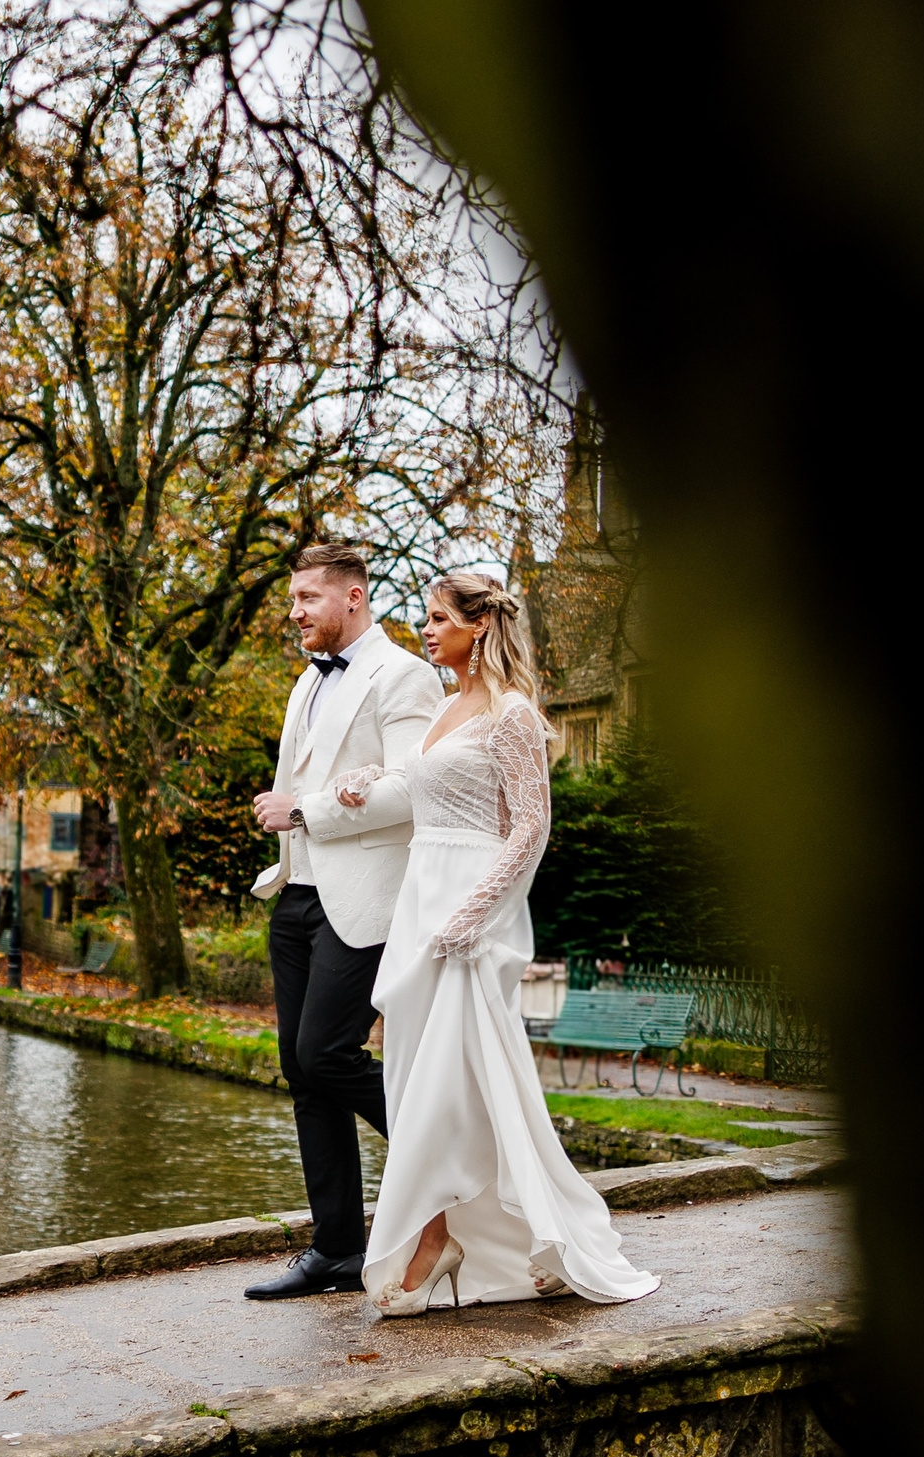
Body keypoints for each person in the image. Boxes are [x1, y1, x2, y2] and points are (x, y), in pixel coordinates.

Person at [339, 571, 659, 1317]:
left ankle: (433, 1239)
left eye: (439, 616)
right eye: (425, 616)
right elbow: (421, 787)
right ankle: (501, 1236)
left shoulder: (514, 714)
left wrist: (474, 912)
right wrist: (366, 776)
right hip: (423, 900)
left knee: (450, 1087)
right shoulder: (445, 707)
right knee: (420, 1074)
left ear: (478, 625)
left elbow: (530, 826)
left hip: (471, 915)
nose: (426, 628)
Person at [242, 545, 447, 1301]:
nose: (294, 612)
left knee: (326, 1052)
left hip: (365, 900)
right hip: (298, 892)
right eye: (293, 598)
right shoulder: (306, 680)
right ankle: (335, 1249)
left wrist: (305, 809)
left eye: (306, 598)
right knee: (302, 1070)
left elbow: (412, 788)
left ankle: (440, 1148)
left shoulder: (404, 676)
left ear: (353, 596)